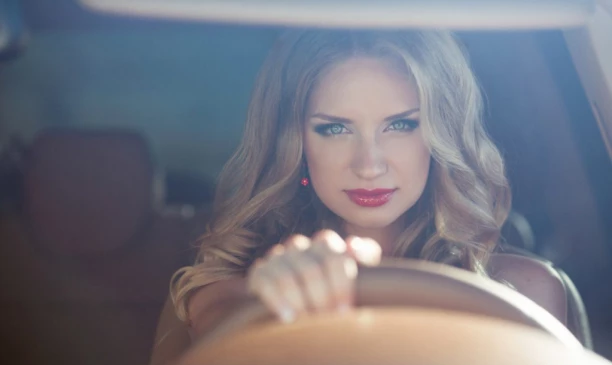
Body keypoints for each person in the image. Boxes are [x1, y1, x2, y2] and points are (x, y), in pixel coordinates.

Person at [170, 29, 511, 338]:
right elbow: (217, 327)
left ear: (442, 136)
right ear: (294, 145)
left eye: (400, 125)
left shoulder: (519, 288)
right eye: (335, 129)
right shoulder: (224, 292)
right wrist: (273, 298)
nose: (369, 166)